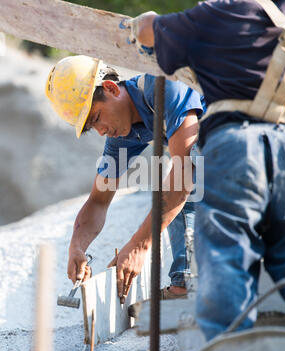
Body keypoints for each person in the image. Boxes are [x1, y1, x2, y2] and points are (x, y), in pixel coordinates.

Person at [124, 0, 285, 340]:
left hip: (237, 147)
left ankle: (228, 342)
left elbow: (147, 31)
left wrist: (146, 19)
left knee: (226, 253)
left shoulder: (220, 13)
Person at [45, 55, 205, 302]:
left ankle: (195, 285)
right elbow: (98, 201)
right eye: (91, 127)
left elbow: (184, 176)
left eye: (97, 118)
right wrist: (77, 247)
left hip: (255, 137)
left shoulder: (162, 85)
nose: (101, 131)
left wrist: (139, 247)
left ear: (110, 89)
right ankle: (186, 284)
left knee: (187, 168)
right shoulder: (121, 136)